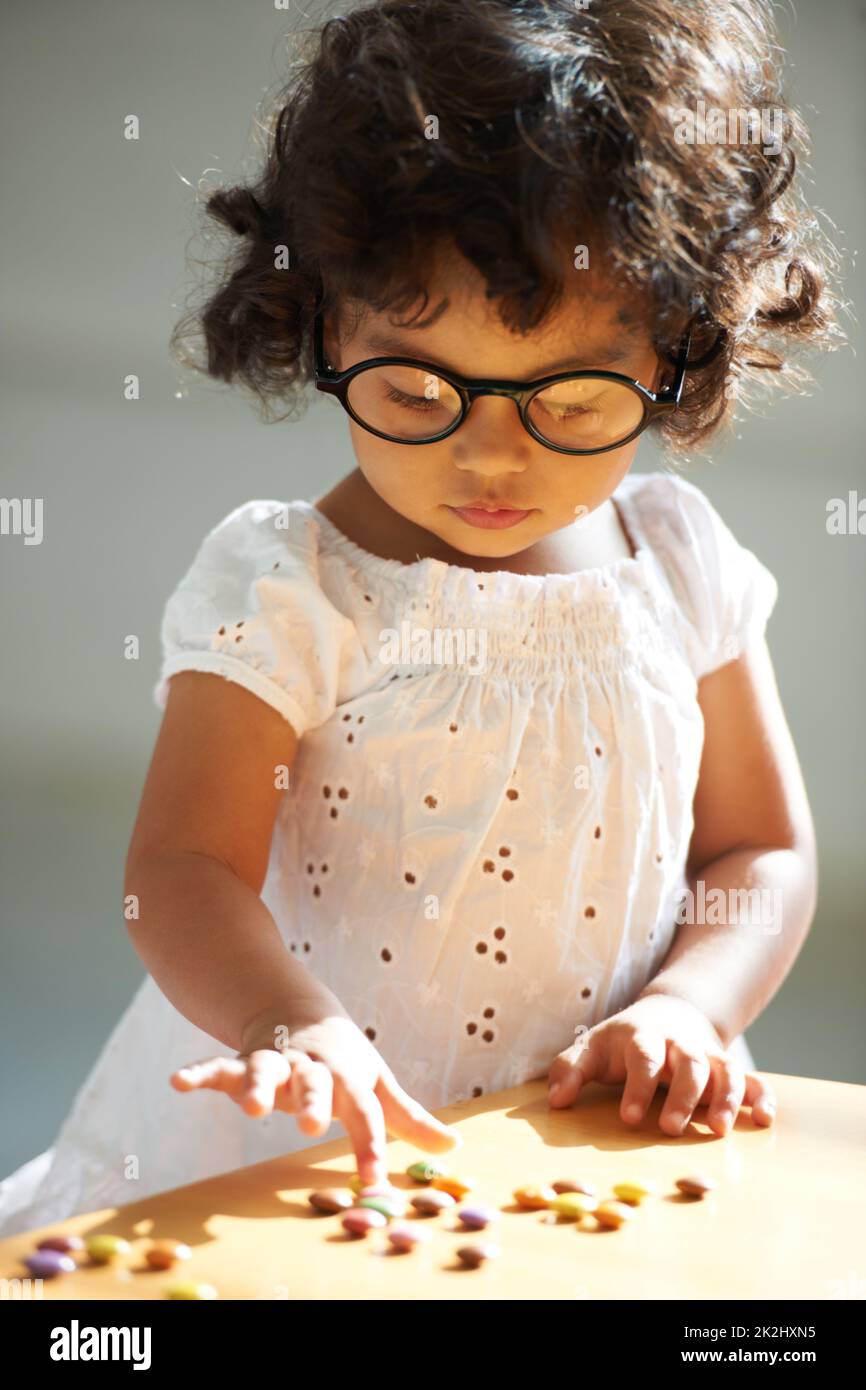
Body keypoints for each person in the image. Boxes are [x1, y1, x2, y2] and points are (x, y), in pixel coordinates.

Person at [0, 0, 839, 1238]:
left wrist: (690, 1009)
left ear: (674, 349)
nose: (488, 458)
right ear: (326, 322)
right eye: (413, 386)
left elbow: (758, 854)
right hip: (312, 1148)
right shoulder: (292, 585)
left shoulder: (678, 563)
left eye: (569, 396)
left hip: (592, 1143)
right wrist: (291, 1026)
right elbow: (181, 870)